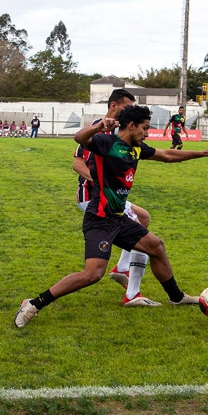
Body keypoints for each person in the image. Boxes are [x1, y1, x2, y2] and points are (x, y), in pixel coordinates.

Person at [15, 104, 208, 327]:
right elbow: (79, 137)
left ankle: (176, 297)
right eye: (144, 128)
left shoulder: (136, 148)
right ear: (131, 126)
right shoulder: (106, 143)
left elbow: (167, 155)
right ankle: (34, 303)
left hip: (119, 218)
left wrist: (202, 153)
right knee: (92, 274)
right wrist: (97, 127)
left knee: (156, 246)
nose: (147, 133)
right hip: (100, 220)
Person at [73, 89, 158, 307]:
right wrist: (101, 182)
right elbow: (78, 163)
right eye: (126, 107)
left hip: (108, 196)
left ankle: (121, 268)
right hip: (93, 197)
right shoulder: (98, 128)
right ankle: (132, 293)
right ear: (114, 106)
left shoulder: (121, 131)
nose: (129, 111)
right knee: (144, 235)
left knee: (144, 218)